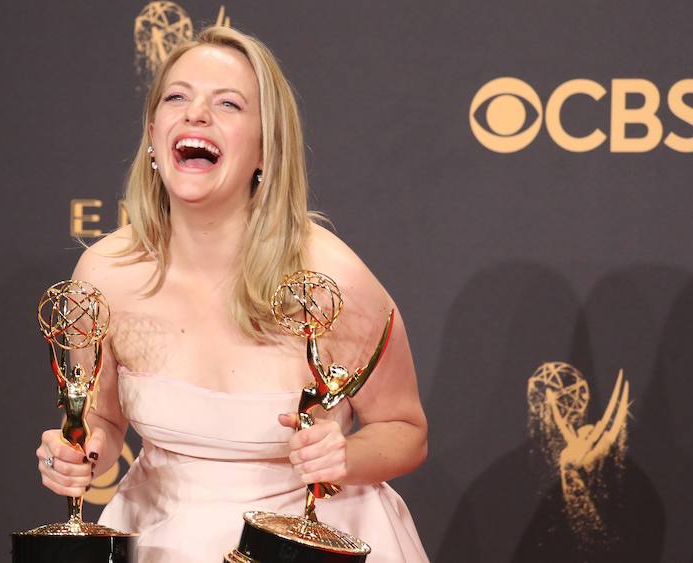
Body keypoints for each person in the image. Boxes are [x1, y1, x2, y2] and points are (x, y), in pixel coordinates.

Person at [36, 25, 430, 563]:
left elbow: (404, 430)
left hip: (303, 543)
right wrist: (82, 452)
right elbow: (101, 419)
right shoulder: (105, 274)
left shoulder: (329, 276)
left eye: (227, 103)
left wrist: (344, 457)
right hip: (158, 536)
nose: (196, 114)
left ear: (267, 146)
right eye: (177, 97)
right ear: (153, 134)